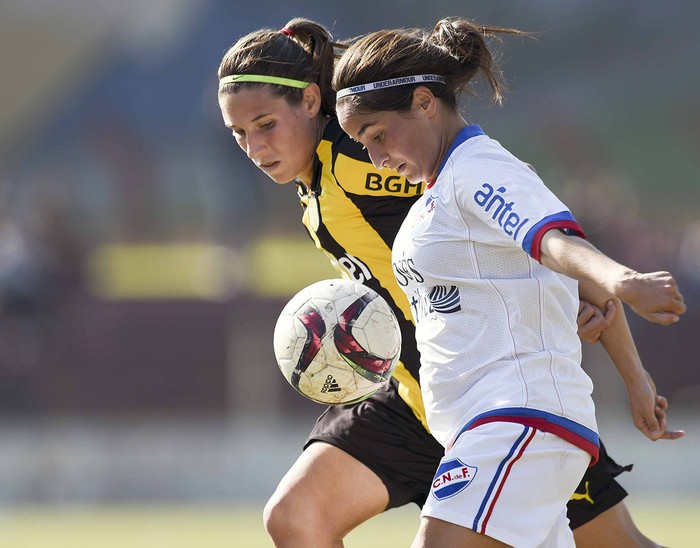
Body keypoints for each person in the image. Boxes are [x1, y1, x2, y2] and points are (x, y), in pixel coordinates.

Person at [217, 18, 684, 547]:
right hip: (420, 395)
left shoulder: (369, 163)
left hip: (499, 395)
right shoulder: (321, 182)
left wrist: (628, 361)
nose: (254, 147)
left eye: (265, 124)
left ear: (308, 101)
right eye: (238, 134)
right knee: (295, 518)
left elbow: (532, 227)